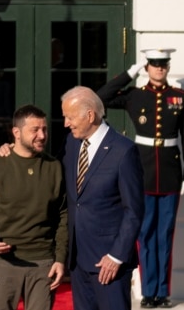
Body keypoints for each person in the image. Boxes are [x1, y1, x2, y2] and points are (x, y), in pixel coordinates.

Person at [96, 49, 184, 308]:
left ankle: (162, 293)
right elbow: (100, 98)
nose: (159, 69)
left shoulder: (180, 98)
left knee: (165, 235)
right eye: (153, 65)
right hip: (142, 174)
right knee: (144, 235)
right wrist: (131, 72)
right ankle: (148, 292)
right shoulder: (135, 95)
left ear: (168, 67)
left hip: (171, 174)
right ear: (147, 68)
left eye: (163, 65)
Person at [0, 104, 67, 310]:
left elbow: (63, 216)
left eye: (44, 129)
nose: (41, 135)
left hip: (43, 264)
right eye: (35, 130)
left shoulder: (54, 168)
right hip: (3, 264)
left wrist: (60, 258)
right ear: (16, 133)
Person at [61, 86, 144, 310]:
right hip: (79, 261)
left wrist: (116, 256)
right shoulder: (72, 142)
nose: (66, 124)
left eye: (69, 117)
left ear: (90, 115)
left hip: (109, 264)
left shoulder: (123, 151)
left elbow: (134, 210)